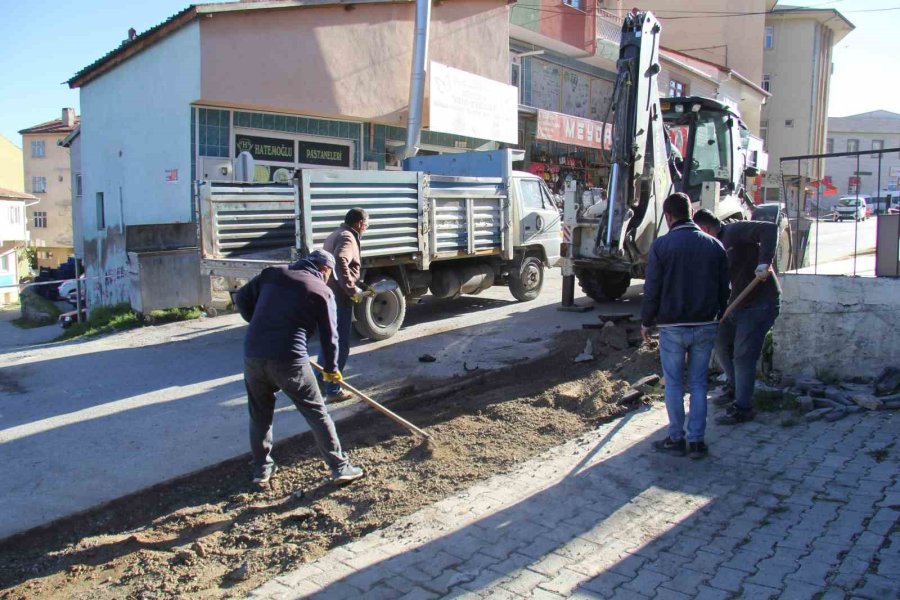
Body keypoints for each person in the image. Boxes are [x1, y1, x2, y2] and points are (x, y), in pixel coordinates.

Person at [234, 249, 363, 486]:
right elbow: (331, 337)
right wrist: (331, 370)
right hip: (289, 359)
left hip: (253, 354)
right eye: (328, 275)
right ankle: (340, 467)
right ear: (324, 270)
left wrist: (261, 324)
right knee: (316, 412)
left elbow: (241, 298)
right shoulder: (321, 291)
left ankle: (261, 470)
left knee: (260, 414)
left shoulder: (272, 273)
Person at [641, 193, 730, 459]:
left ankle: (676, 438)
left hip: (673, 326)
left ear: (668, 217)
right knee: (699, 383)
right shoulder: (715, 246)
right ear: (691, 213)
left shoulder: (661, 246)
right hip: (705, 324)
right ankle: (697, 442)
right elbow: (724, 288)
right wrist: (718, 313)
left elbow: (652, 288)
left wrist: (647, 321)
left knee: (675, 385)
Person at [693, 209, 780, 426]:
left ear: (704, 229)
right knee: (720, 341)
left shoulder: (734, 231)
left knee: (743, 355)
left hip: (760, 304)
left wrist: (764, 262)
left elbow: (770, 229)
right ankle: (734, 387)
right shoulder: (712, 248)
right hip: (735, 305)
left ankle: (743, 408)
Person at [317, 208, 374, 402]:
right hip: (339, 298)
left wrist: (358, 284)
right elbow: (341, 260)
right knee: (340, 345)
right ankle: (333, 389)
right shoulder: (348, 238)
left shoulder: (336, 233)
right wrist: (352, 289)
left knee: (329, 342)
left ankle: (319, 383)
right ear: (359, 223)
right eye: (367, 223)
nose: (367, 227)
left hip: (328, 295)